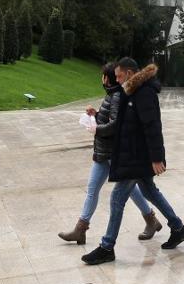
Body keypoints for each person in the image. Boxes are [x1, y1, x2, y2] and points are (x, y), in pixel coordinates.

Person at [82, 58, 184, 265]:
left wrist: (157, 158)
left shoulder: (144, 93)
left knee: (117, 198)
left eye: (120, 76)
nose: (117, 80)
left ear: (130, 73)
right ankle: (178, 228)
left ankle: (107, 247)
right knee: (149, 191)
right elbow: (121, 123)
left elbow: (152, 127)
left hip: (138, 156)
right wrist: (96, 116)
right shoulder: (131, 92)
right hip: (133, 154)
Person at [58, 62, 163, 244]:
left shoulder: (116, 96)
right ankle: (80, 229)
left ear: (107, 78)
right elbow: (111, 118)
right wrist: (96, 114)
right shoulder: (113, 95)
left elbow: (116, 125)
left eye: (105, 76)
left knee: (132, 191)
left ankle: (155, 220)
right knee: (95, 189)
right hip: (102, 153)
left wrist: (97, 129)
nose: (104, 79)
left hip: (112, 153)